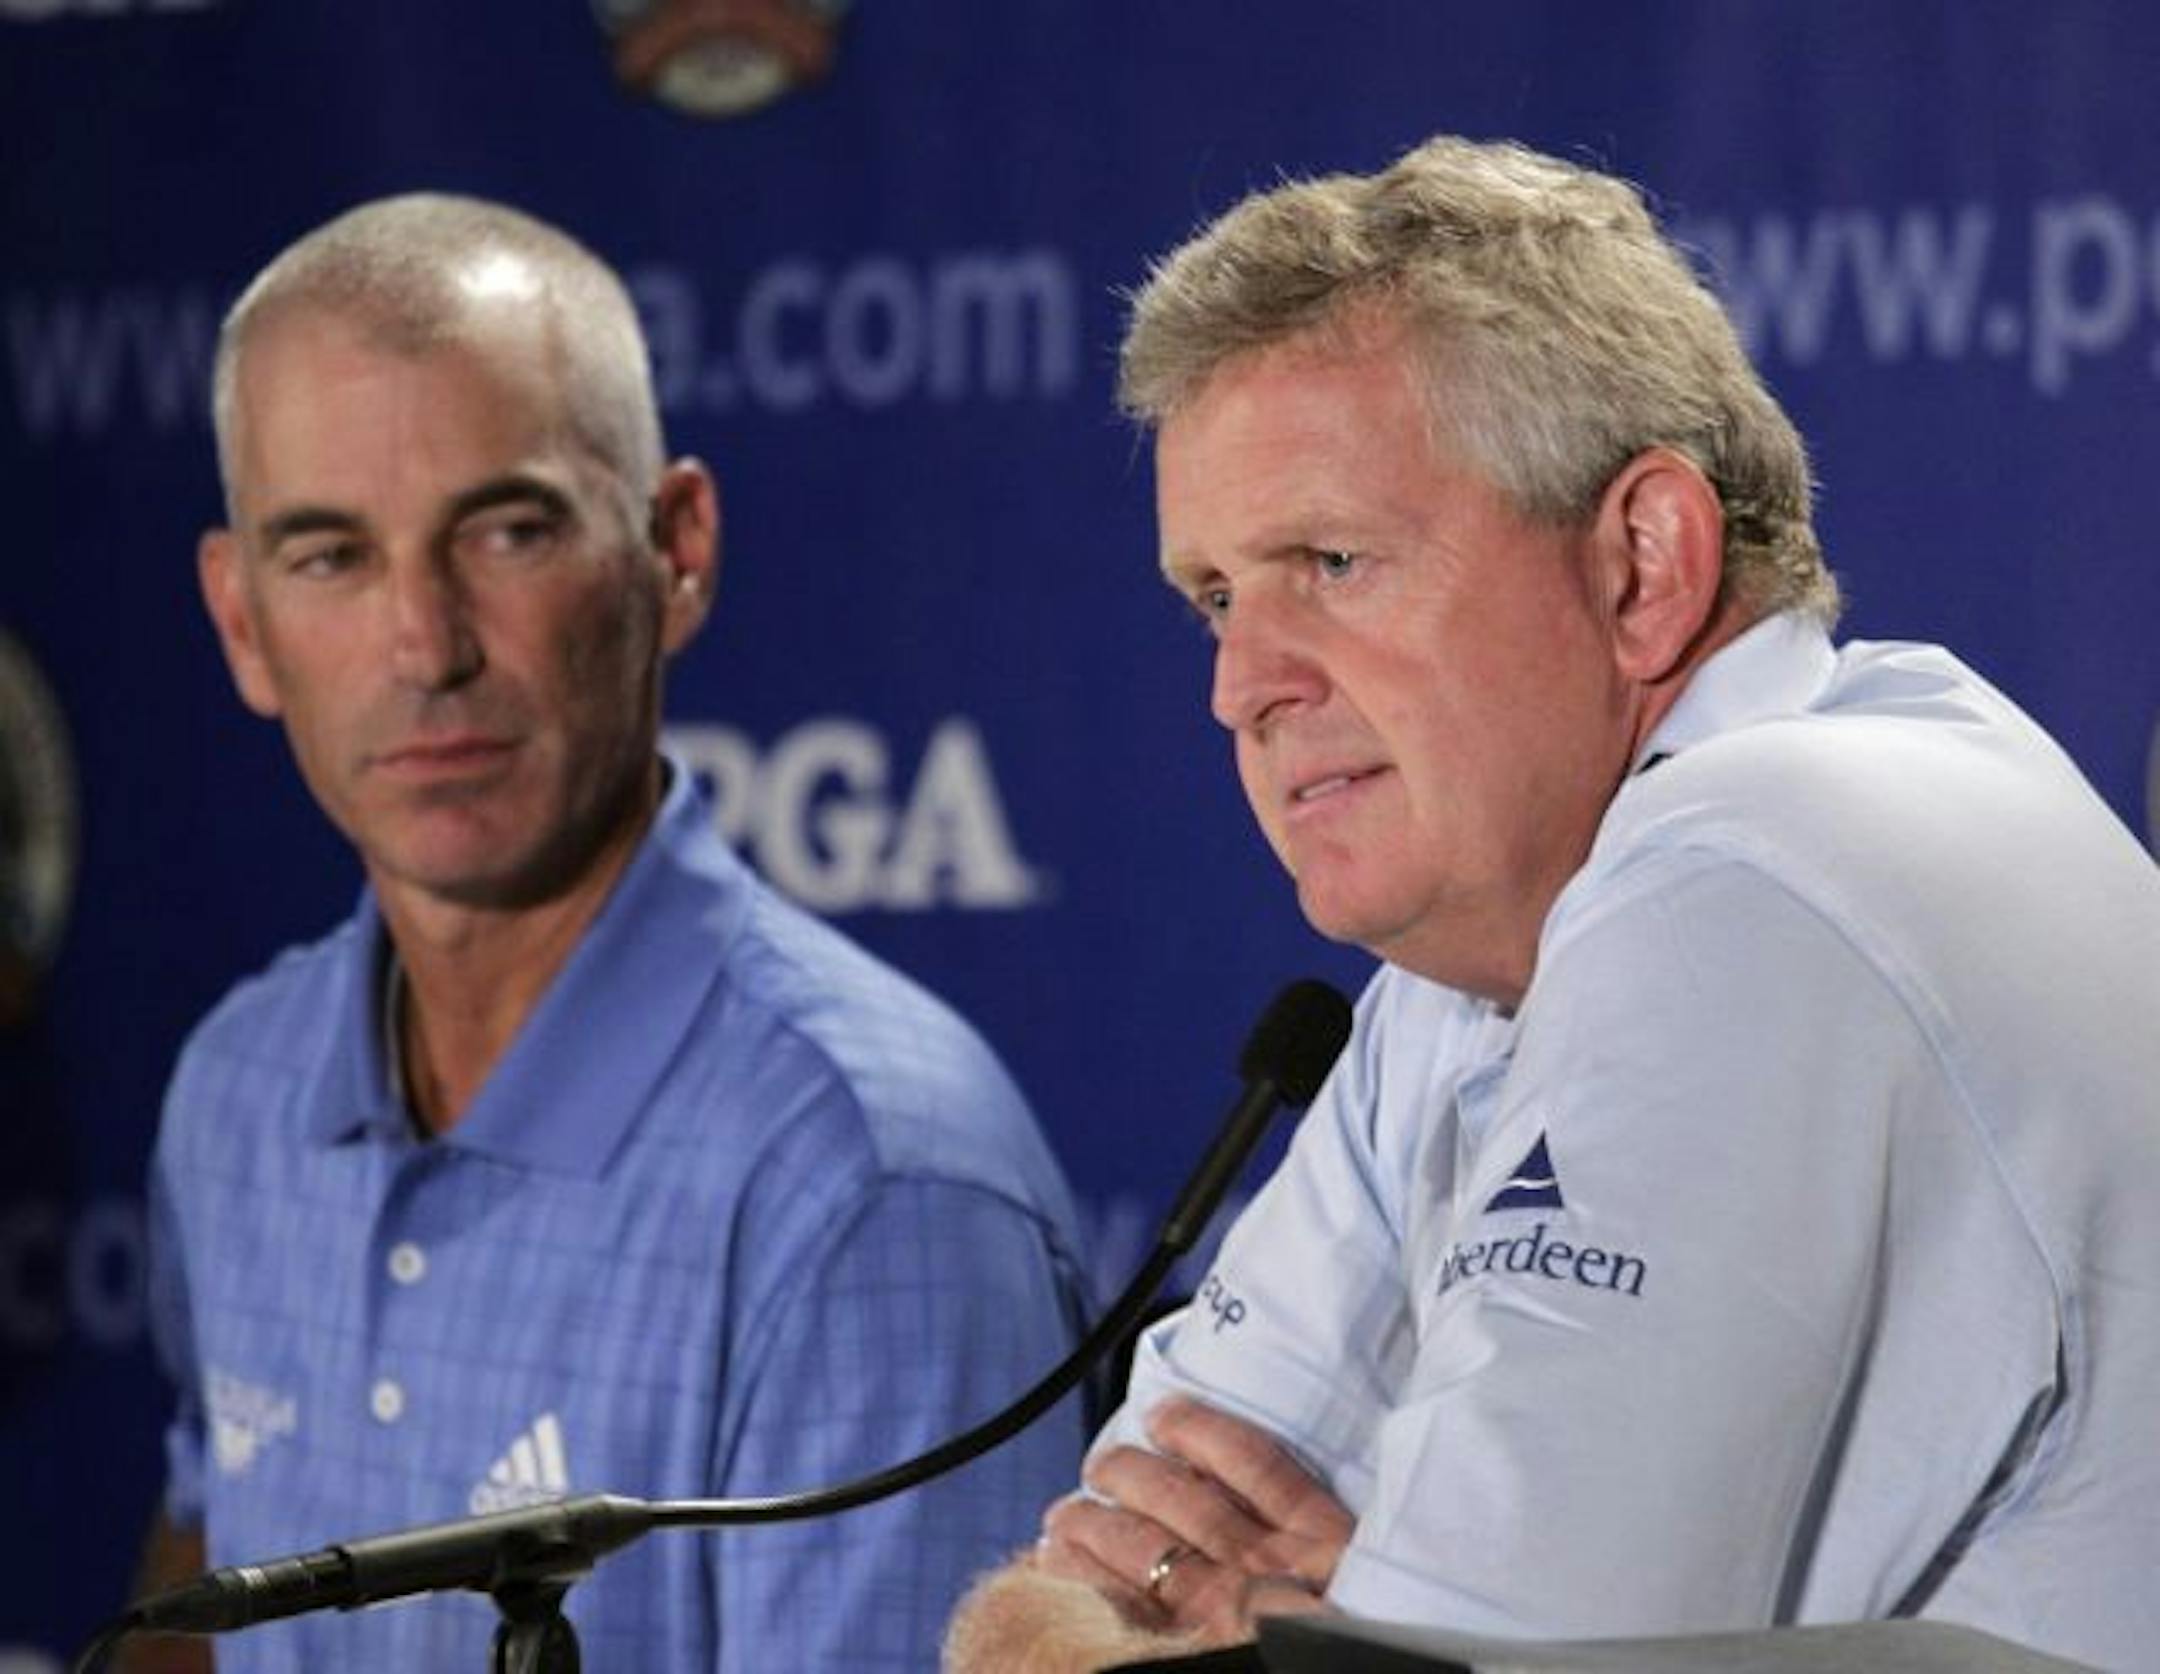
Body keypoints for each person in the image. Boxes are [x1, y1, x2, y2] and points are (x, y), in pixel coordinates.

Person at [944, 135, 2160, 1673]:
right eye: (1215, 597)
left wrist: (1337, 1620)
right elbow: (1054, 1607)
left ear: (1644, 561)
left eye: (1332, 559)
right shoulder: (1465, 973)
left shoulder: (1760, 863)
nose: (1241, 686)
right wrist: (1321, 1626)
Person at [134, 192, 1091, 1672]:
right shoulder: (235, 1088)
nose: (427, 646)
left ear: (675, 548)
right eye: (330, 555)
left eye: (507, 530)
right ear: (243, 622)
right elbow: (201, 1574)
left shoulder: (872, 1179)